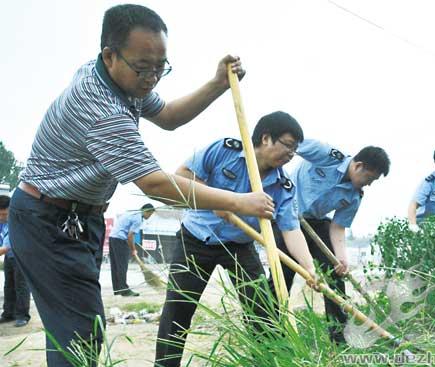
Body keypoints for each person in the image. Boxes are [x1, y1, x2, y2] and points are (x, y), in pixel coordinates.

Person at [8, 4, 274, 366]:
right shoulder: (98, 105)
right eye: (143, 68)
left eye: (160, 67)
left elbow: (166, 116)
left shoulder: (122, 79)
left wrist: (216, 84)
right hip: (45, 219)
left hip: (78, 218)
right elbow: (154, 184)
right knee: (79, 333)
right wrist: (241, 202)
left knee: (83, 330)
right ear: (109, 55)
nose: (151, 78)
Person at [155, 111, 317, 367]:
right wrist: (216, 198)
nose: (290, 154)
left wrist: (308, 267)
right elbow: (182, 175)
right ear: (266, 138)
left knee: (262, 311)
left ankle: (265, 361)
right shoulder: (225, 150)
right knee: (178, 311)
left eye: (294, 150)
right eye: (287, 145)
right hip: (195, 240)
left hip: (240, 247)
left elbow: (290, 228)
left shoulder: (283, 185)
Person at [269, 139, 390, 344]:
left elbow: (338, 227)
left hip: (316, 224)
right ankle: (270, 334)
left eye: (373, 181)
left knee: (335, 276)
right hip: (287, 218)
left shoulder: (355, 195)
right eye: (369, 178)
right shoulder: (327, 155)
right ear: (358, 166)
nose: (368, 184)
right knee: (282, 276)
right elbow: (290, 149)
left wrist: (341, 259)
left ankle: (338, 338)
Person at [109, 203, 155, 296]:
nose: (149, 217)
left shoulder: (132, 212)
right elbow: (130, 235)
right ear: (146, 211)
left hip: (112, 237)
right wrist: (133, 250)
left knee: (115, 266)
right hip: (120, 239)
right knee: (122, 265)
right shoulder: (138, 219)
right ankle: (124, 290)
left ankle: (117, 289)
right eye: (150, 214)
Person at [0, 195, 31, 327]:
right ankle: (8, 313)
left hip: (23, 255)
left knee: (21, 286)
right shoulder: (1, 223)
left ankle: (22, 315)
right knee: (9, 285)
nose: (2, 217)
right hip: (10, 257)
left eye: (4, 214)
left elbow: (7, 246)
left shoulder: (18, 220)